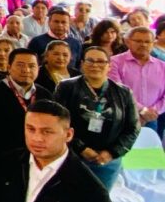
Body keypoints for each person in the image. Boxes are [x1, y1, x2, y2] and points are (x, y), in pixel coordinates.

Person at [53, 47, 138, 190]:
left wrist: (112, 153)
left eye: (101, 61)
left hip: (108, 160)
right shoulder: (66, 87)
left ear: (109, 66)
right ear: (82, 64)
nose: (95, 65)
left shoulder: (123, 92)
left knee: (101, 199)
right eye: (90, 61)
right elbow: (57, 122)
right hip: (72, 156)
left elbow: (133, 128)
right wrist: (81, 148)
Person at [0, 49, 52, 158]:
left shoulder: (46, 95)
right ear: (9, 67)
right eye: (20, 65)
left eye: (32, 66)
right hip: (1, 158)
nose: (26, 70)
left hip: (37, 157)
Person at [109, 27, 165, 138]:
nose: (143, 45)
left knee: (149, 149)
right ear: (128, 42)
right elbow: (117, 91)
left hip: (152, 119)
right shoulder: (115, 62)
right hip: (123, 118)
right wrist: (142, 110)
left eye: (147, 42)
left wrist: (151, 112)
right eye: (138, 41)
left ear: (153, 43)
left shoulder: (163, 67)